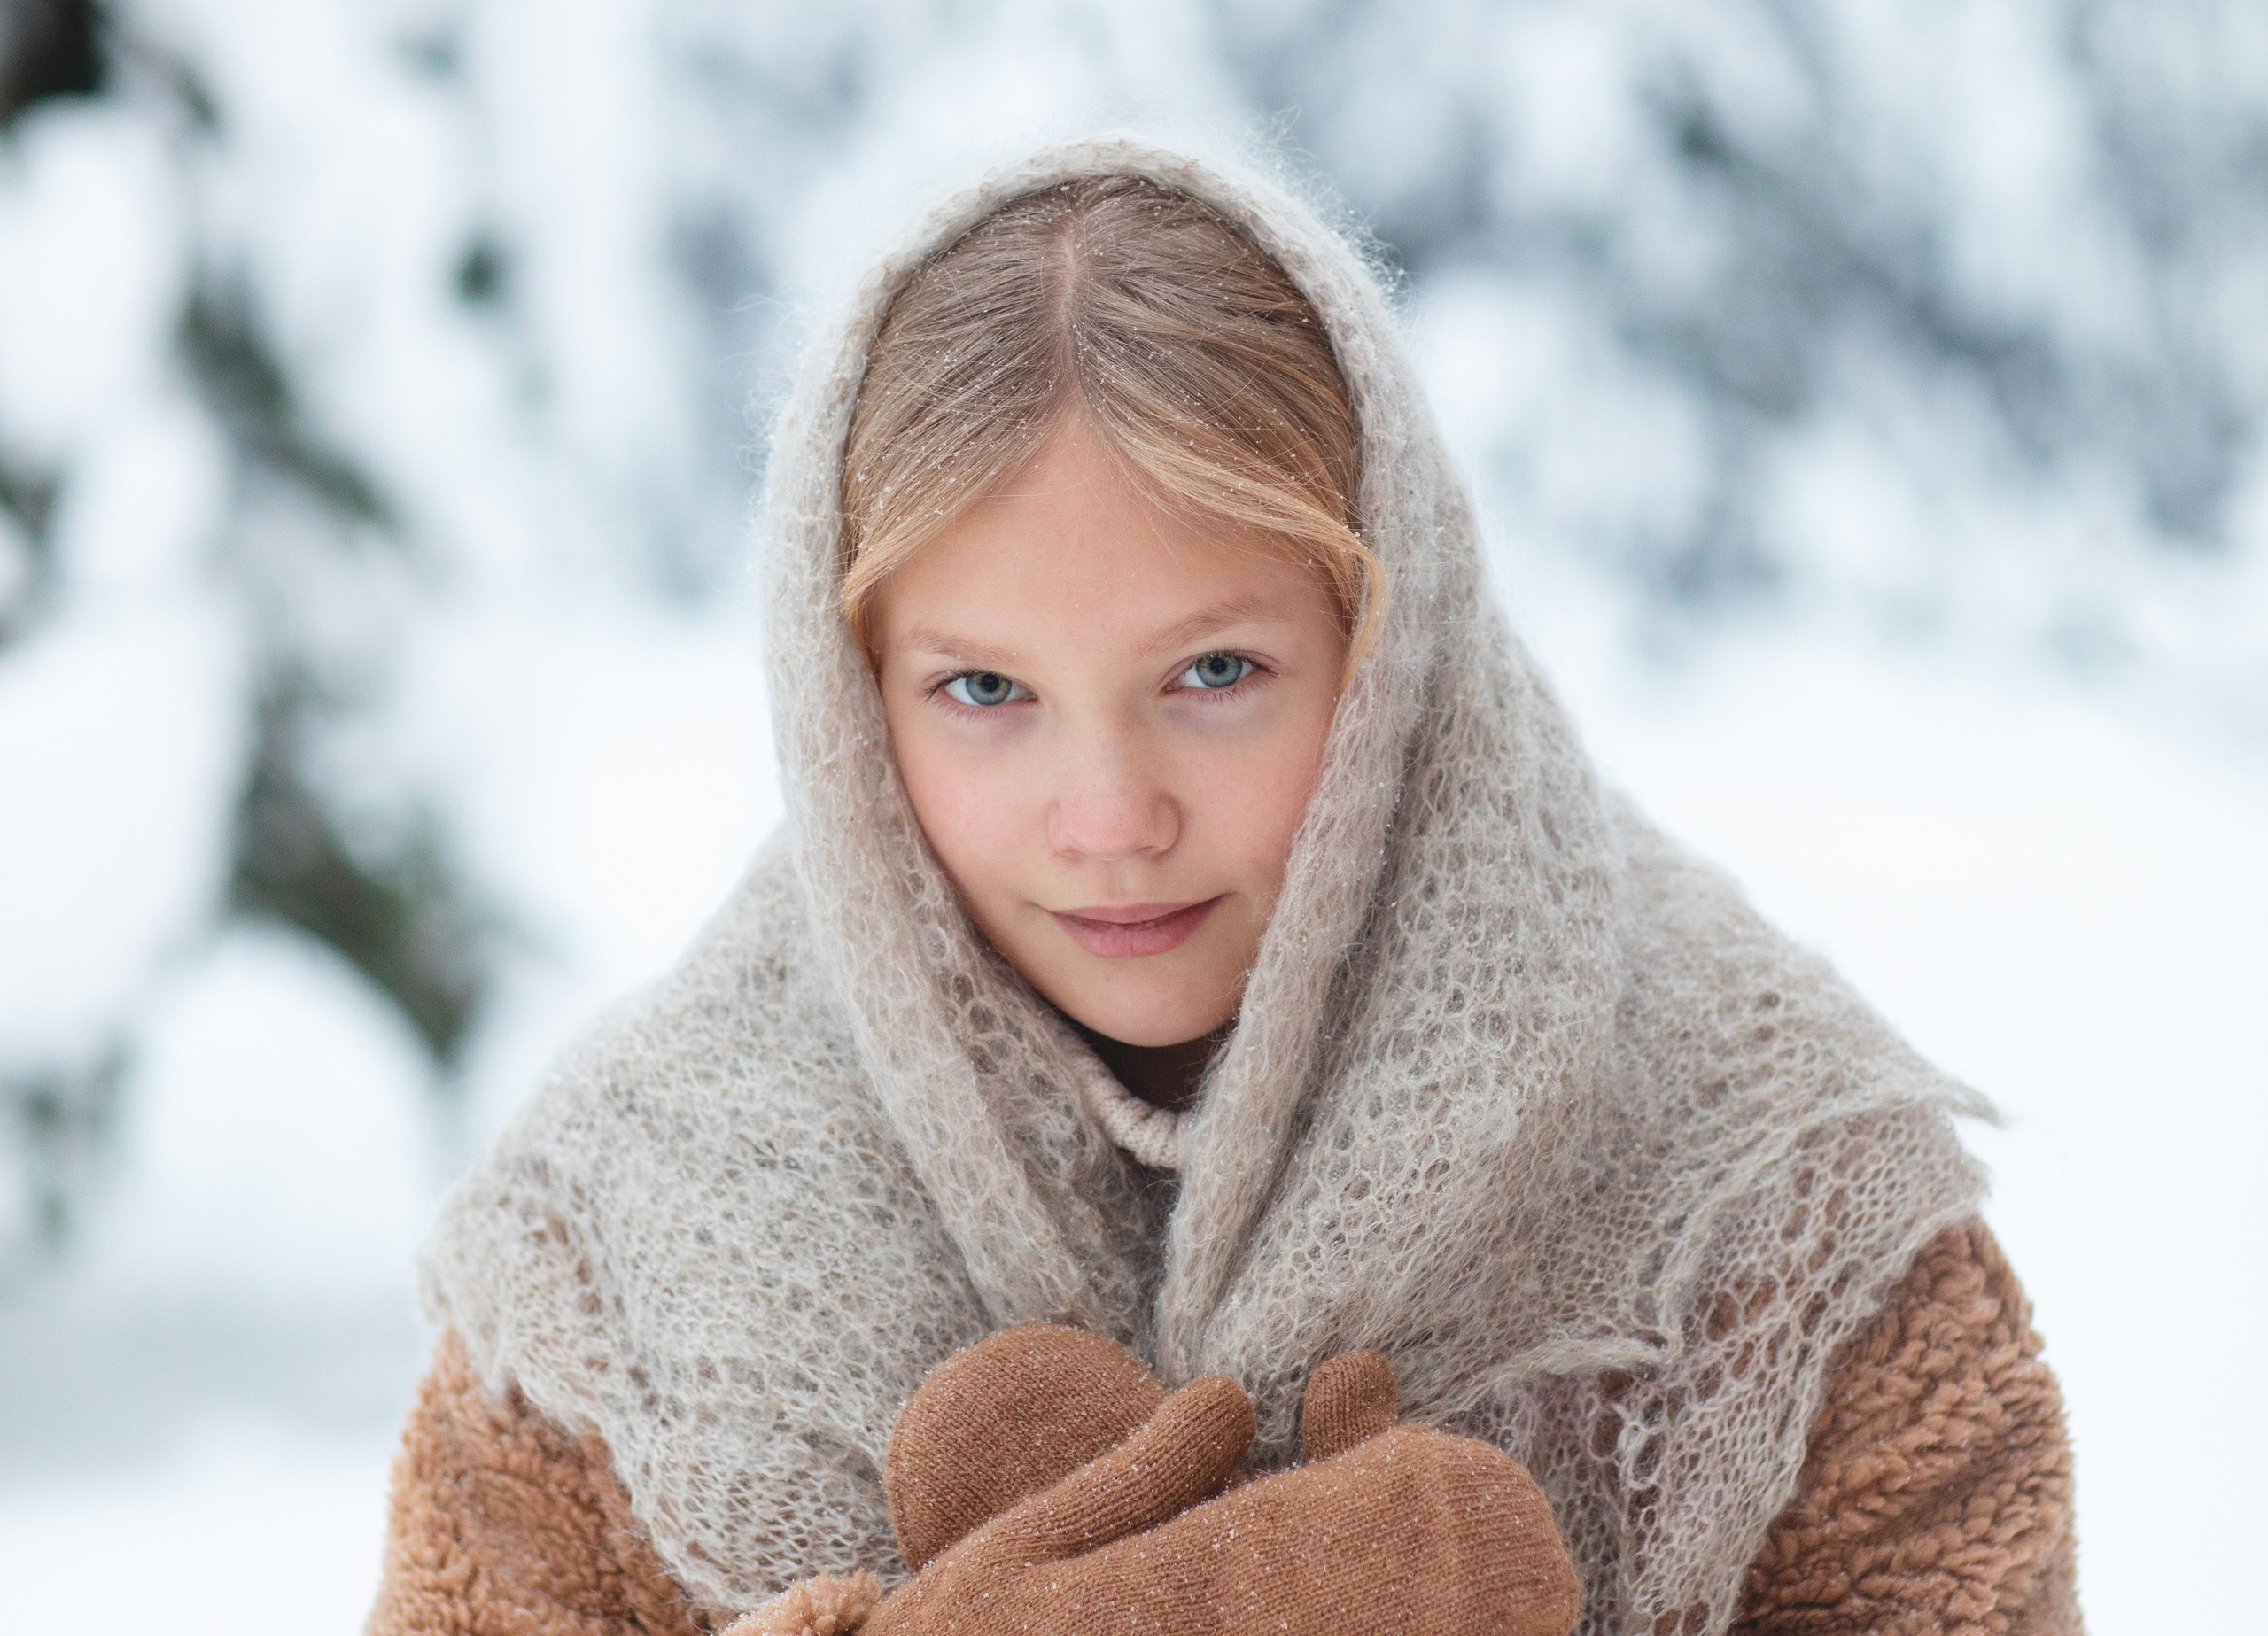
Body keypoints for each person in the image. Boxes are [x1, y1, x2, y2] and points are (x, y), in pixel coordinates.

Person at [367, 138, 2079, 1636]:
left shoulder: (1777, 1211)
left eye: (1214, 674)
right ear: (848, 706)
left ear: (1394, 656)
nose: (1110, 818)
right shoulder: (627, 1258)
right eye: (985, 690)